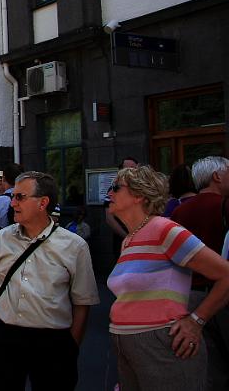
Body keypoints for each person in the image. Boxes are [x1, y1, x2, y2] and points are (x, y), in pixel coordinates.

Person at [0, 171, 99, 390]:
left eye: (20, 197)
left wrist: (71, 347)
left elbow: (83, 302)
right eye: (13, 196)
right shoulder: (1, 239)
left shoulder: (75, 246)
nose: (12, 203)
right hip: (3, 338)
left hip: (52, 342)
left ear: (43, 203)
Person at [109, 164, 229, 391]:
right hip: (127, 344)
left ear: (139, 195)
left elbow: (225, 274)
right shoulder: (130, 239)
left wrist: (196, 321)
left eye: (116, 187)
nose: (109, 193)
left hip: (161, 344)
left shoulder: (165, 229)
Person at [171, 156, 229, 390]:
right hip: (222, 296)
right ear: (217, 176)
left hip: (190, 294)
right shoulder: (223, 206)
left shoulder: (180, 212)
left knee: (209, 368)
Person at [105, 156, 139, 240]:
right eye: (127, 169)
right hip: (122, 241)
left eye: (133, 168)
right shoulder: (113, 190)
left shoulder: (143, 189)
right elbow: (109, 218)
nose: (130, 172)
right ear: (121, 171)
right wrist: (127, 237)